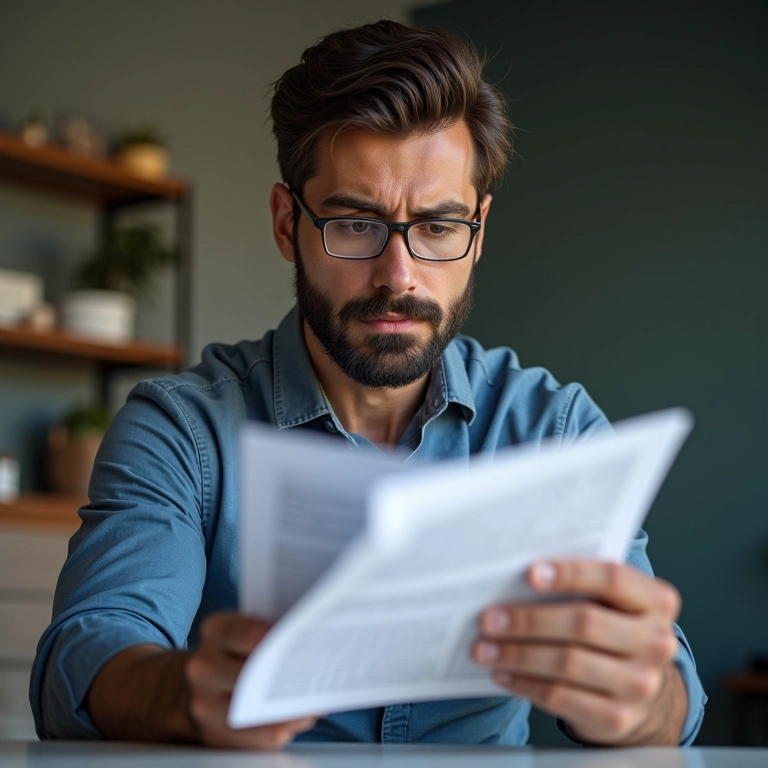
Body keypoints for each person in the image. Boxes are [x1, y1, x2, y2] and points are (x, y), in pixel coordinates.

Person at [31, 20, 706, 749]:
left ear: (477, 232)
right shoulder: (182, 430)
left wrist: (642, 702)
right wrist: (180, 693)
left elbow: (673, 700)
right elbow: (86, 655)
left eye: (439, 227)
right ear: (289, 225)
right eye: (355, 224)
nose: (399, 276)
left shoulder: (556, 431)